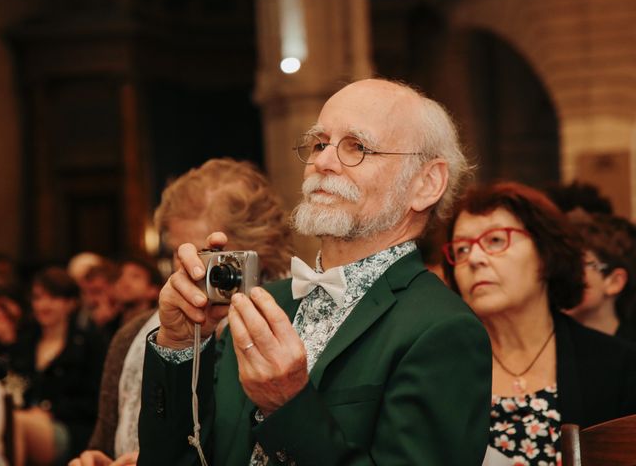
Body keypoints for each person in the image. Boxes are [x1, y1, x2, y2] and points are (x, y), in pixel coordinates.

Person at [137, 79, 492, 465]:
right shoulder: (265, 304)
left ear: (426, 183)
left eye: (357, 147)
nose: (323, 161)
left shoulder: (442, 329)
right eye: (320, 143)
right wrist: (178, 345)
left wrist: (288, 405)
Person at [70, 158, 295, 466]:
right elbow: (106, 439)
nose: (190, 270)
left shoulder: (292, 331)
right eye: (180, 254)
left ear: (258, 253)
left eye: (209, 258)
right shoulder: (134, 336)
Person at [441, 181, 636, 465]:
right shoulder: (442, 367)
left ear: (546, 253)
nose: (475, 259)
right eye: (461, 249)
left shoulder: (616, 366)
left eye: (495, 240)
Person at [9, 267, 105, 465]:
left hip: (71, 427)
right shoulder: (24, 341)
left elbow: (95, 401)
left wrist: (50, 410)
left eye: (52, 298)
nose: (43, 305)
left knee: (15, 422)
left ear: (70, 303)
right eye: (37, 298)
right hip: (25, 419)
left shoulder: (88, 343)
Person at [565, 211, 636, 341]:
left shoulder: (629, 354)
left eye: (578, 264)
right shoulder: (549, 345)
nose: (563, 273)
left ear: (615, 282)